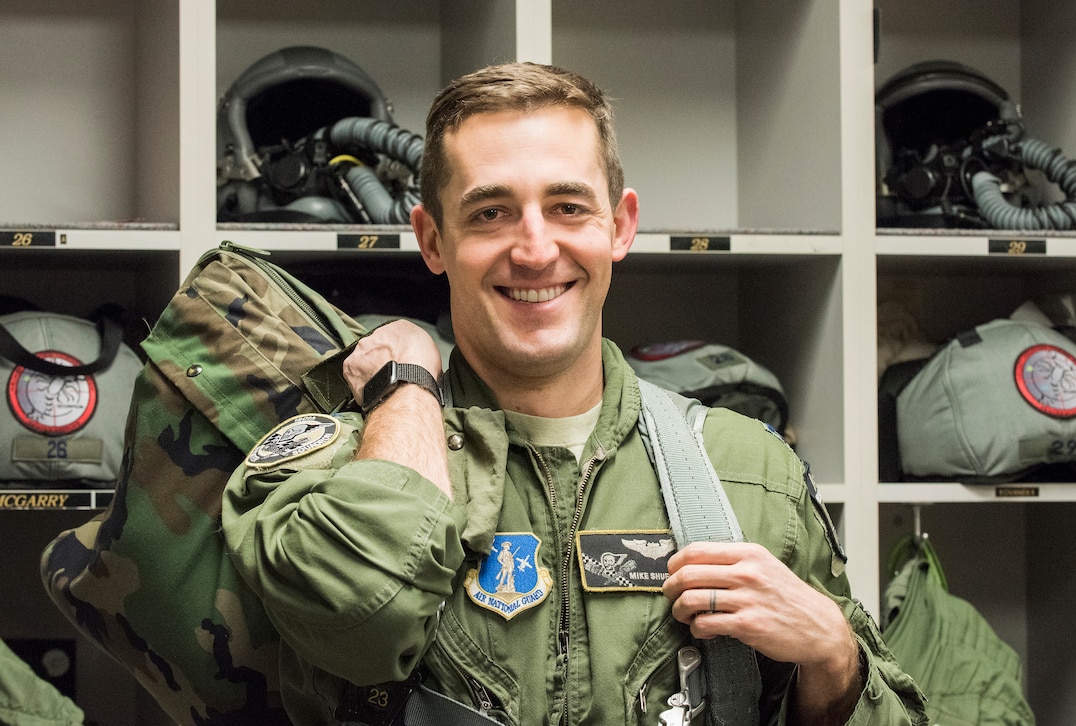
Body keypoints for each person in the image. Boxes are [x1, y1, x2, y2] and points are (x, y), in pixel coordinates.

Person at [221, 62, 927, 725]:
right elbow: (360, 624)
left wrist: (834, 660)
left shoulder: (748, 473)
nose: (533, 249)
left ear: (618, 226)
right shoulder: (337, 465)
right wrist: (407, 392)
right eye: (490, 213)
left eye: (566, 206)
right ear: (432, 240)